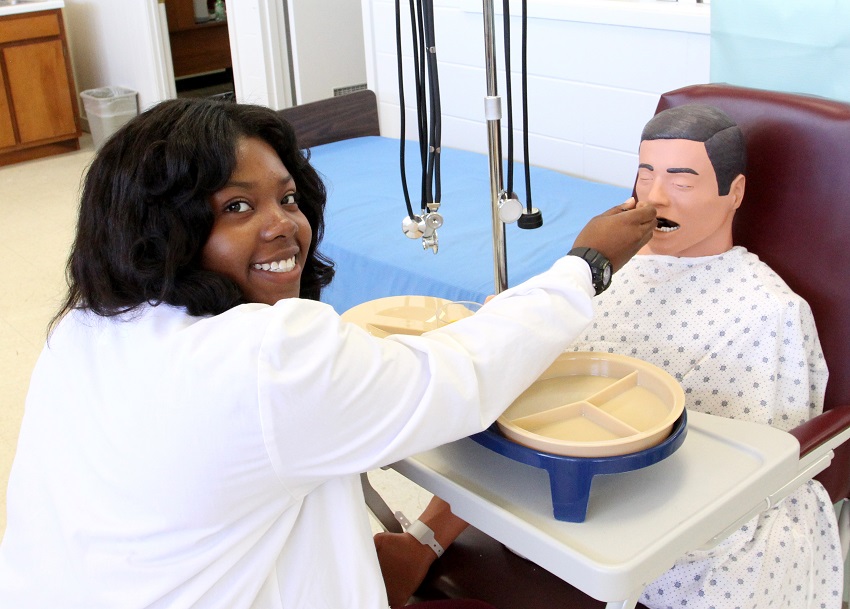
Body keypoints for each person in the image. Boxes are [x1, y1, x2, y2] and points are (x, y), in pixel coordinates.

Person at [0, 97, 655, 608]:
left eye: (287, 198)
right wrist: (585, 263)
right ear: (162, 225)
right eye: (236, 205)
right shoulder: (264, 359)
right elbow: (461, 376)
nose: (282, 223)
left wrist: (406, 546)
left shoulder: (83, 330)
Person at [376, 104, 843, 609]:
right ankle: (424, 541)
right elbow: (520, 381)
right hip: (547, 472)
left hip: (670, 504)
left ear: (736, 193)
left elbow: (764, 469)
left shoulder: (768, 312)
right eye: (646, 174)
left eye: (683, 182)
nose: (657, 196)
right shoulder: (604, 268)